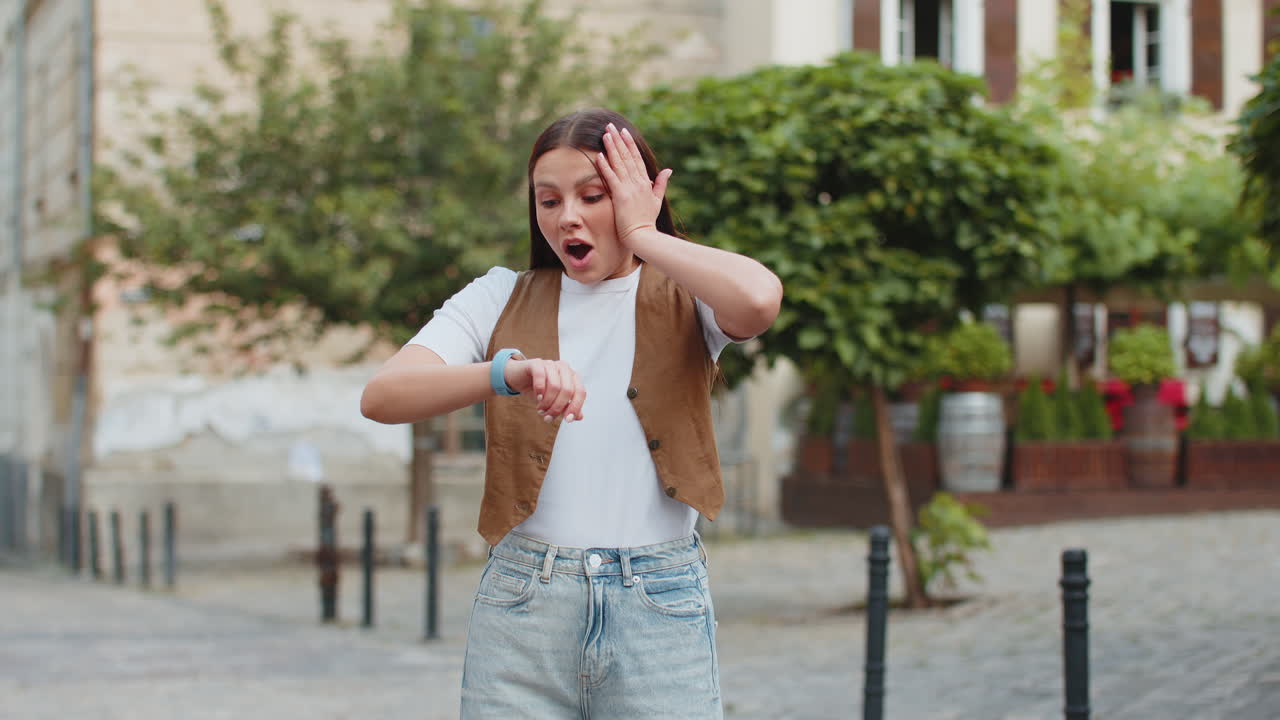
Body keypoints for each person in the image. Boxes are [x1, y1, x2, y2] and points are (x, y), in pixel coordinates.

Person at [360, 107, 782, 719]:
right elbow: (383, 396)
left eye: (594, 195)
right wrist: (507, 374)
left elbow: (760, 299)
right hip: (525, 601)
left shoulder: (687, 296)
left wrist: (643, 236)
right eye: (548, 200)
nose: (568, 217)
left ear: (636, 196)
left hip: (659, 601)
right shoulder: (498, 295)